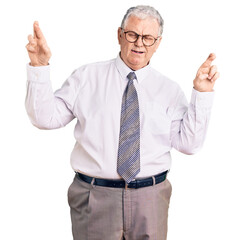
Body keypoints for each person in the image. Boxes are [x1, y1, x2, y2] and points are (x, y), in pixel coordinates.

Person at [25, 5, 219, 240]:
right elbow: (45, 118)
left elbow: (189, 144)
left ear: (157, 43)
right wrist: (39, 67)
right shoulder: (86, 78)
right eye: (132, 35)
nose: (139, 44)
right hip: (94, 197)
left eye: (148, 38)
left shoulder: (169, 90)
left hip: (151, 197)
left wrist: (202, 94)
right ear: (119, 35)